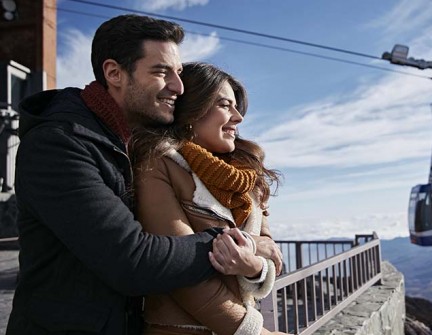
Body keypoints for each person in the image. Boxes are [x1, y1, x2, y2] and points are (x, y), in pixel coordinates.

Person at [7, 15, 256, 335]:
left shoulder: (132, 141)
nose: (178, 87)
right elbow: (132, 262)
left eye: (178, 73)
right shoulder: (58, 145)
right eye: (161, 71)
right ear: (114, 73)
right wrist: (238, 243)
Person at [130, 62, 286, 335]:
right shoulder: (159, 165)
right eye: (225, 105)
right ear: (193, 110)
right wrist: (255, 332)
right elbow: (178, 270)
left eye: (237, 107)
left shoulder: (247, 176)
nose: (238, 118)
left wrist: (253, 265)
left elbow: (272, 254)